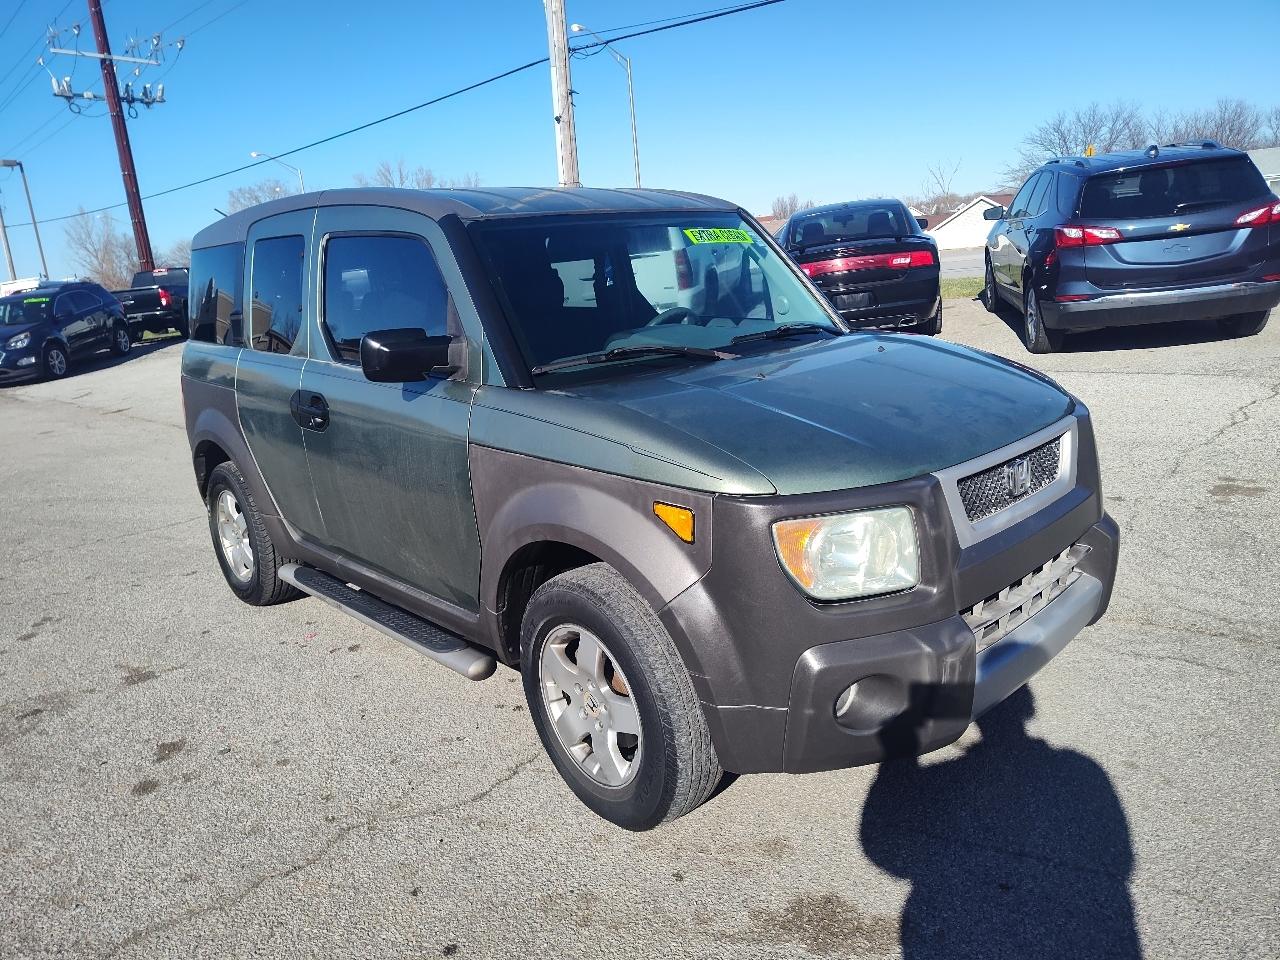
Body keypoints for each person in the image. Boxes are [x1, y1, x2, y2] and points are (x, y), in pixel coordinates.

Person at [860, 685, 1143, 959]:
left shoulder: (1078, 768)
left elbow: (881, 832)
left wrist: (901, 740)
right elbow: (1120, 856)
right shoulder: (1081, 768)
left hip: (953, 923)